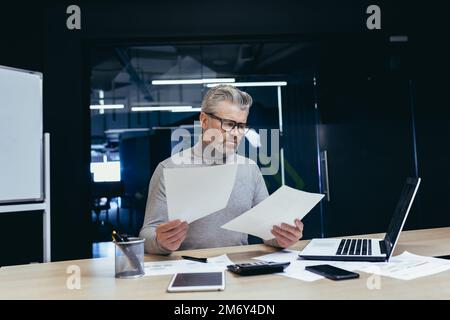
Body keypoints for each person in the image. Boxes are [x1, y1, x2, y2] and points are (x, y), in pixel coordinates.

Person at [139, 85, 304, 254]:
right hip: (188, 268)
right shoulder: (169, 168)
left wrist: (284, 237)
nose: (236, 133)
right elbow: (147, 235)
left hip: (238, 267)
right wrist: (161, 242)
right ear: (204, 121)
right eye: (229, 124)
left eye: (241, 126)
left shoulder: (249, 169)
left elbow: (269, 232)